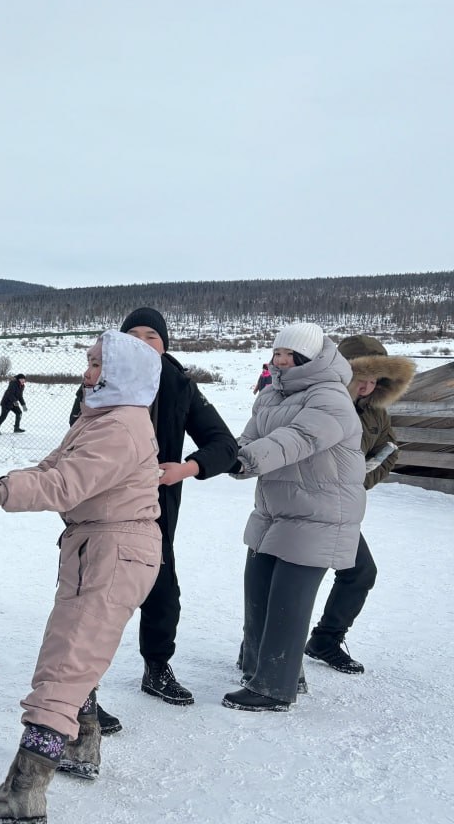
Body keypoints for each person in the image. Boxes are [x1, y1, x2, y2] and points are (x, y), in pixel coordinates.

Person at [0, 330, 163, 824]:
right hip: (99, 545)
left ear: (122, 375)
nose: (86, 372)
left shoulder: (121, 428)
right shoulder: (103, 419)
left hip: (111, 549)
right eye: (88, 363)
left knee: (66, 662)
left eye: (97, 365)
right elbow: (52, 466)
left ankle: (23, 792)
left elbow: (65, 484)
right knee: (79, 649)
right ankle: (81, 746)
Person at [69, 307, 237, 731]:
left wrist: (186, 467)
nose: (143, 342)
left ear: (165, 346)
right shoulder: (100, 382)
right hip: (102, 514)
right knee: (95, 605)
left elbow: (224, 445)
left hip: (156, 515)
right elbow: (77, 439)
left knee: (163, 595)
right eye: (134, 335)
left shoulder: (180, 385)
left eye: (153, 336)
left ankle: (156, 668)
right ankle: (80, 694)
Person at [226, 322, 365, 712]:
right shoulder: (270, 395)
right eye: (277, 354)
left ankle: (275, 686)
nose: (281, 361)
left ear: (311, 357)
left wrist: (247, 459)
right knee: (257, 590)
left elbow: (300, 439)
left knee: (289, 601)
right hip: (274, 508)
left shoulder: (330, 397)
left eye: (290, 355)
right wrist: (228, 452)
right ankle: (257, 665)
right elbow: (250, 435)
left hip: (319, 512)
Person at [305, 334, 414, 675]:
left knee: (360, 573)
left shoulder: (375, 413)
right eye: (359, 377)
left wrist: (359, 480)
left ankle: (326, 639)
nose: (366, 386)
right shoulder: (316, 402)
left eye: (373, 379)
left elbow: (389, 449)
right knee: (294, 580)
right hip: (303, 507)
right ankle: (254, 645)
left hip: (342, 510)